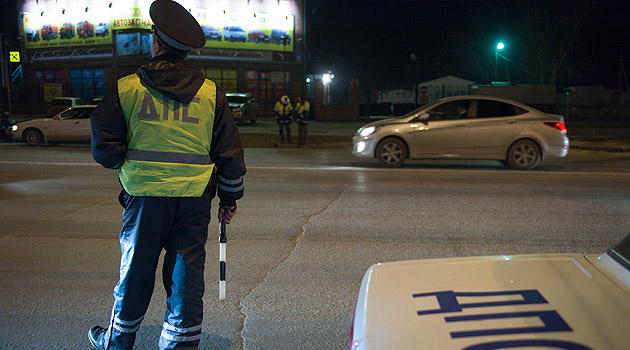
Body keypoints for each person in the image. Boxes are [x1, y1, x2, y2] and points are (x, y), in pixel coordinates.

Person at [87, 1, 246, 349]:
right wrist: (230, 199)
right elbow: (230, 154)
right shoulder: (212, 94)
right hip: (192, 203)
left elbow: (105, 149)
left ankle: (118, 342)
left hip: (143, 201)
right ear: (187, 51)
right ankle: (179, 345)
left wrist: (125, 160)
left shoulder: (126, 88)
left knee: (135, 273)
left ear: (155, 43)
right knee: (186, 281)